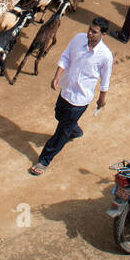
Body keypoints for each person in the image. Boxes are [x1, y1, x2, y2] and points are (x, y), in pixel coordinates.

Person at [29, 16, 113, 175]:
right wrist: (57, 76)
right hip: (66, 90)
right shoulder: (78, 39)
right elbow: (65, 57)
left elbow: (105, 80)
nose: (89, 33)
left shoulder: (105, 56)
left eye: (94, 32)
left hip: (80, 99)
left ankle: (44, 160)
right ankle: (74, 130)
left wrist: (102, 99)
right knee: (58, 114)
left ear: (103, 34)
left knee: (61, 131)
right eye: (89, 29)